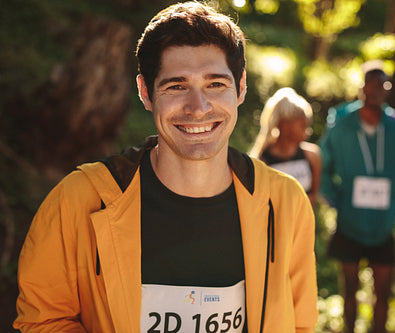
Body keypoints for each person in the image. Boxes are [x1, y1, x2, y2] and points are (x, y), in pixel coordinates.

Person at [13, 2, 318, 332]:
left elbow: (299, 325)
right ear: (145, 93)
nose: (198, 108)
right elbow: (42, 321)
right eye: (177, 86)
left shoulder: (285, 203)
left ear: (241, 87)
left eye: (216, 84)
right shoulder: (77, 201)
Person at [320, 64, 395, 333]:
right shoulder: (340, 122)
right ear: (361, 87)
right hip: (349, 222)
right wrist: (335, 200)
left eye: (381, 85)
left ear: (387, 90)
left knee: (383, 294)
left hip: (383, 225)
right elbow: (322, 166)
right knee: (349, 292)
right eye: (370, 84)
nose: (375, 90)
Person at [249, 87, 322, 205]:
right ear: (286, 126)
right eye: (303, 126)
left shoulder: (312, 155)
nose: (308, 131)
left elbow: (313, 196)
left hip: (303, 222)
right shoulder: (261, 162)